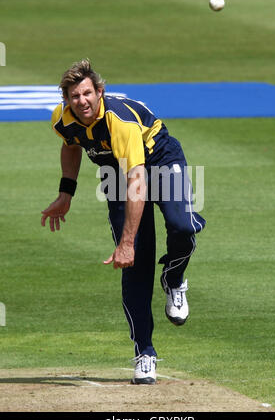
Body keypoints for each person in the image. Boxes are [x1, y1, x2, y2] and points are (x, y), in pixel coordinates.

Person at [41, 59, 206, 384]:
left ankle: (174, 278)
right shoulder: (62, 119)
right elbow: (71, 145)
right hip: (116, 175)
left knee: (183, 225)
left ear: (99, 92)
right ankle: (145, 353)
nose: (82, 101)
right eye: (74, 96)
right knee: (134, 266)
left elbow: (137, 182)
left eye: (87, 93)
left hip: (159, 158)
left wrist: (127, 241)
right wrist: (66, 192)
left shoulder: (120, 123)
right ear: (67, 100)